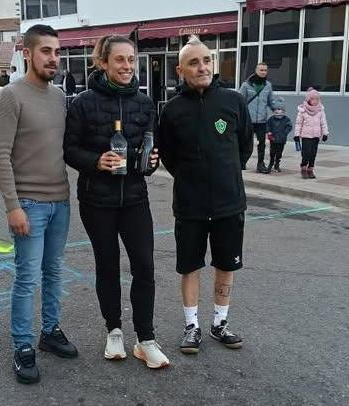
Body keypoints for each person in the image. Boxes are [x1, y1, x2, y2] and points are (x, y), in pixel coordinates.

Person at [64, 35, 170, 369]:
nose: (127, 66)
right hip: (97, 201)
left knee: (144, 266)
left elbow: (151, 151)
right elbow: (69, 149)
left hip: (136, 199)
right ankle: (113, 331)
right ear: (103, 63)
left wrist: (151, 162)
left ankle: (146, 339)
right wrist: (96, 161)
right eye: (120, 60)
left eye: (131, 59)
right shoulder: (83, 102)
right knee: (107, 266)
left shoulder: (144, 103)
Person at [0, 24, 77, 385]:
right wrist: (13, 206)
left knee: (54, 271)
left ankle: (50, 331)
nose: (53, 58)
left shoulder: (58, 97)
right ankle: (22, 346)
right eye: (46, 51)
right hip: (29, 204)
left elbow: (64, 148)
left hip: (60, 201)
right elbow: (0, 156)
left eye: (57, 52)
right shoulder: (11, 96)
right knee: (27, 278)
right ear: (27, 53)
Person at [157, 36, 253, 355]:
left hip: (229, 203)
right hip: (190, 205)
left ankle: (219, 324)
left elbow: (244, 147)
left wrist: (226, 174)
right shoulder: (171, 110)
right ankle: (192, 326)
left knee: (226, 264)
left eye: (207, 60)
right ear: (180, 69)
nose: (203, 67)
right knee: (190, 266)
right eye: (195, 62)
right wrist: (191, 177)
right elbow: (168, 156)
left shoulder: (233, 100)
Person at [239, 62, 274, 173]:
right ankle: (241, 162)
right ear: (256, 71)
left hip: (262, 120)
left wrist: (278, 109)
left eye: (265, 70)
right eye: (261, 70)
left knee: (262, 143)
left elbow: (270, 101)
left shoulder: (268, 85)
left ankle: (260, 164)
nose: (263, 72)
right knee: (245, 142)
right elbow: (240, 101)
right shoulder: (246, 85)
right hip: (249, 120)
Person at [294, 87, 329, 179]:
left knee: (313, 153)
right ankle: (304, 167)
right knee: (306, 153)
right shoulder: (303, 111)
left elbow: (323, 122)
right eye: (313, 99)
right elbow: (298, 124)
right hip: (306, 136)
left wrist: (325, 133)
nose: (315, 101)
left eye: (317, 99)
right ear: (308, 99)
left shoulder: (320, 110)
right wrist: (296, 135)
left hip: (316, 136)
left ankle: (310, 169)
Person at [265, 97, 293, 173]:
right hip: (273, 139)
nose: (277, 111)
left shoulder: (286, 119)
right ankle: (270, 164)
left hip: (281, 139)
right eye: (275, 109)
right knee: (272, 152)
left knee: (279, 153)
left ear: (283, 110)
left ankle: (277, 164)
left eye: (279, 109)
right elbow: (267, 125)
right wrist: (269, 131)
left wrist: (284, 133)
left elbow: (289, 126)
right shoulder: (271, 119)